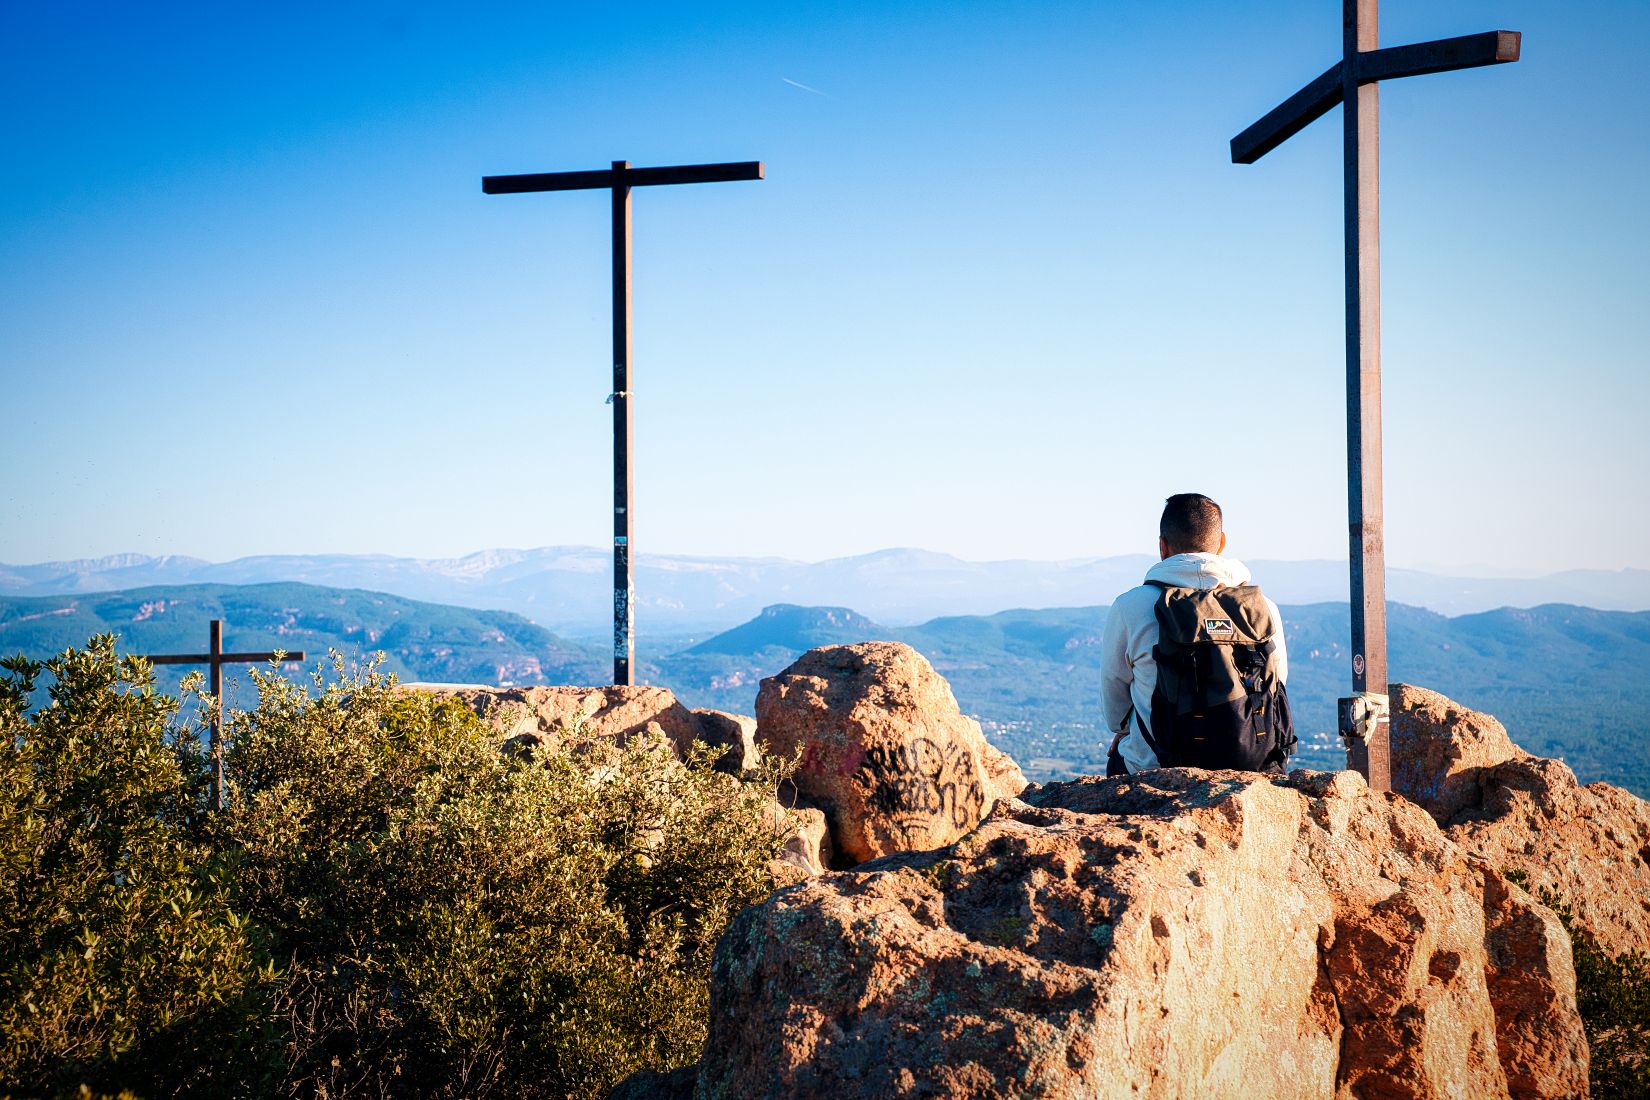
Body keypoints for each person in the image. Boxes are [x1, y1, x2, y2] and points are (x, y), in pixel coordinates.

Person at [1101, 493, 1291, 775]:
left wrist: (1125, 729)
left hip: (1154, 766)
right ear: (1222, 542)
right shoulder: (1261, 608)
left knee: (1121, 759)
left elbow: (1114, 691)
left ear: (1162, 546)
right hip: (1249, 764)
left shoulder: (1131, 606)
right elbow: (1277, 681)